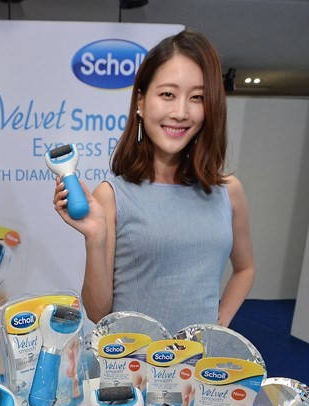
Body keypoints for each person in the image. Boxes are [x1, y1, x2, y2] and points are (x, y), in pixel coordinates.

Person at [53, 29, 254, 336]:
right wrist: (95, 237)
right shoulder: (112, 195)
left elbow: (245, 268)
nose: (181, 112)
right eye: (168, 94)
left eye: (197, 97)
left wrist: (218, 323)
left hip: (199, 361)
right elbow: (97, 311)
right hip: (131, 361)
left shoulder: (229, 192)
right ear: (141, 101)